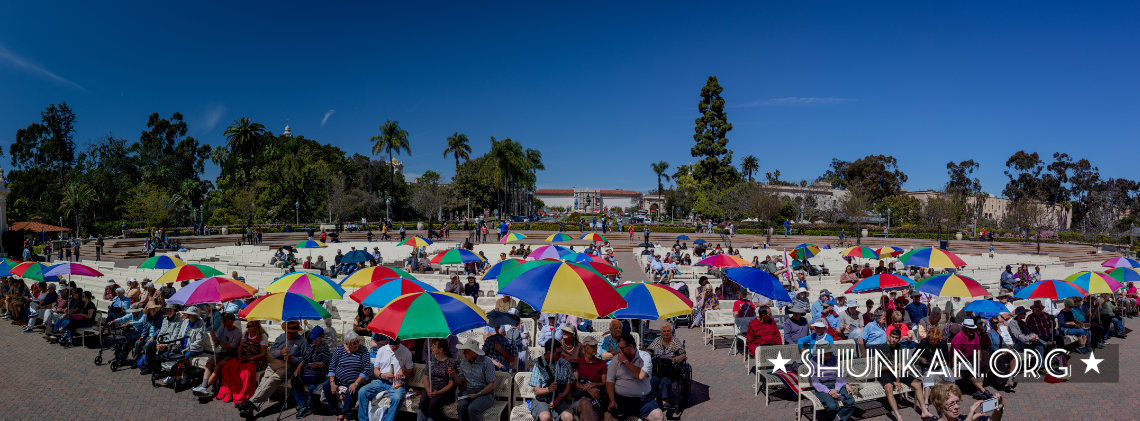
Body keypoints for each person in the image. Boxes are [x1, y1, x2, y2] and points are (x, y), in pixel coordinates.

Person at [238, 321, 310, 418]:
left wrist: (292, 358)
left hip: (289, 367)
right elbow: (272, 351)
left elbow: (305, 359)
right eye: (286, 332)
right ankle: (250, 407)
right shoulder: (281, 337)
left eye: (290, 332)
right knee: (264, 381)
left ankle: (250, 403)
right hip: (275, 363)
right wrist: (280, 352)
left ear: (296, 332)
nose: (287, 334)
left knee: (272, 380)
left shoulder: (302, 341)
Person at [605, 333, 664, 421]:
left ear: (631, 346)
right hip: (622, 400)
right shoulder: (616, 359)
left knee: (658, 416)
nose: (619, 351)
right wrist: (612, 400)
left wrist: (625, 362)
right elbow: (610, 381)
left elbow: (640, 375)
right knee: (607, 416)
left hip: (642, 400)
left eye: (622, 348)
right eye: (619, 348)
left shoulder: (644, 357)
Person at [356, 334, 412, 421]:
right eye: (391, 345)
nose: (393, 348)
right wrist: (381, 375)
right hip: (381, 381)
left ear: (399, 343)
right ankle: (363, 419)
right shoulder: (382, 350)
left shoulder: (406, 352)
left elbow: (411, 373)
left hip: (396, 383)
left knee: (396, 398)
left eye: (395, 346)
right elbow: (376, 370)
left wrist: (403, 371)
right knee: (362, 392)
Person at [324, 331, 371, 421]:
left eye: (358, 341)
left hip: (356, 380)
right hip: (339, 379)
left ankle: (343, 415)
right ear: (347, 344)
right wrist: (332, 383)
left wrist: (356, 383)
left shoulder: (363, 350)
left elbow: (367, 369)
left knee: (351, 390)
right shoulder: (339, 350)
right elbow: (332, 366)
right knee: (326, 386)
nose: (357, 344)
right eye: (354, 343)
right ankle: (337, 411)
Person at [192, 312, 242, 396]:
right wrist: (213, 337)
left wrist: (218, 341)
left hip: (232, 354)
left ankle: (204, 387)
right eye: (222, 320)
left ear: (230, 321)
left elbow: (231, 348)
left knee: (218, 366)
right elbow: (216, 344)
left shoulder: (237, 332)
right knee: (209, 363)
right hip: (223, 352)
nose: (222, 322)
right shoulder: (222, 329)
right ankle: (203, 387)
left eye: (224, 321)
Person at [531, 339, 574, 421]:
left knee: (568, 417)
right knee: (545, 417)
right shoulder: (538, 365)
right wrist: (548, 389)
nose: (561, 356)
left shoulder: (565, 364)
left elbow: (568, 387)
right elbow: (537, 391)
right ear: (549, 353)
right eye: (558, 354)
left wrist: (559, 398)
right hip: (542, 399)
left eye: (561, 352)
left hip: (559, 398)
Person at [415, 338, 459, 421]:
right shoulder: (430, 359)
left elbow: (451, 383)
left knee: (433, 403)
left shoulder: (450, 362)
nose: (431, 348)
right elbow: (426, 377)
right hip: (431, 388)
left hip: (445, 392)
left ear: (441, 349)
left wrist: (438, 392)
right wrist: (428, 391)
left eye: (434, 346)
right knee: (423, 402)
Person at [808, 344, 855, 421]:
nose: (830, 354)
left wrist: (836, 389)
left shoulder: (834, 359)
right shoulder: (812, 362)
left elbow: (840, 375)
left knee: (850, 401)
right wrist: (829, 391)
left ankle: (838, 418)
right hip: (822, 388)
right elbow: (815, 382)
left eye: (830, 351)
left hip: (837, 385)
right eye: (827, 352)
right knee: (832, 406)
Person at [646, 323, 686, 411]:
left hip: (670, 369)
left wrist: (674, 359)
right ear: (661, 332)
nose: (666, 333)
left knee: (665, 380)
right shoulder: (657, 340)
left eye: (668, 331)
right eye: (664, 331)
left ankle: (665, 401)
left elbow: (683, 355)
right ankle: (654, 399)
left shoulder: (675, 341)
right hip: (657, 368)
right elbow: (649, 350)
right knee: (654, 379)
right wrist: (647, 354)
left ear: (671, 332)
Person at [455, 338, 497, 421]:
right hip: (469, 392)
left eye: (466, 351)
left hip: (485, 394)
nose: (463, 353)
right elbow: (462, 382)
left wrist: (478, 394)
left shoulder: (486, 362)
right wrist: (454, 375)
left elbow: (492, 384)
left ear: (474, 353)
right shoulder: (464, 362)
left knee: (472, 408)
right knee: (461, 406)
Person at [950, 319, 991, 400]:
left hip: (971, 358)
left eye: (973, 329)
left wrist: (979, 361)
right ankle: (984, 391)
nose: (972, 331)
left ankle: (978, 390)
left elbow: (979, 349)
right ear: (964, 328)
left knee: (982, 367)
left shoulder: (975, 335)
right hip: (960, 359)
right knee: (968, 368)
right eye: (970, 329)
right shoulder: (958, 338)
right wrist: (955, 367)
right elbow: (954, 355)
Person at [572, 336, 608, 420]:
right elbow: (575, 384)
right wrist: (588, 390)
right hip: (580, 397)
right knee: (585, 403)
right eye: (592, 346)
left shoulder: (601, 363)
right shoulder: (577, 363)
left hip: (597, 396)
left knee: (586, 413)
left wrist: (594, 384)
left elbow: (604, 382)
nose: (595, 348)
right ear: (585, 347)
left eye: (596, 346)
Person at [925, 382, 1004, 421]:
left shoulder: (962, 418)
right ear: (939, 406)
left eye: (957, 402)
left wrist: (999, 409)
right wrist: (970, 415)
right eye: (951, 403)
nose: (957, 407)